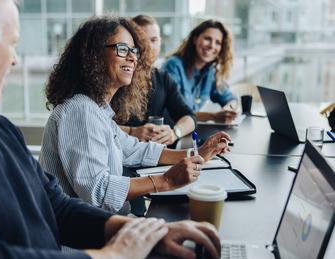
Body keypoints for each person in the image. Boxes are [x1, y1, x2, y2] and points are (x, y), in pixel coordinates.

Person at [0, 1, 223, 259]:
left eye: (134, 51)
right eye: (13, 43)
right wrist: (114, 256)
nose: (15, 59)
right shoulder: (79, 111)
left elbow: (56, 205)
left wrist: (148, 232)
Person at [39, 16, 231, 214]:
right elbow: (98, 191)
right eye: (122, 49)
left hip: (104, 227)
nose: (132, 57)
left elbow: (135, 150)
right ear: (93, 55)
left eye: (134, 51)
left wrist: (199, 153)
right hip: (83, 241)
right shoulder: (80, 111)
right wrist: (166, 180)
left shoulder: (97, 109)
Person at [118, 15, 196, 146]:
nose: (148, 46)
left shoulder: (163, 78)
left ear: (160, 42)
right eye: (141, 41)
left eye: (153, 40)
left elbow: (189, 117)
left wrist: (175, 132)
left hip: (155, 157)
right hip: (122, 156)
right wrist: (132, 132)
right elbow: (98, 123)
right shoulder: (118, 76)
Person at [162, 19, 238, 123]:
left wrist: (228, 110)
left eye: (218, 42)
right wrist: (213, 116)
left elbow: (230, 98)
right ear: (195, 39)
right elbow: (177, 112)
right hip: (170, 132)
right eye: (207, 39)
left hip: (190, 130)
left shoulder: (210, 71)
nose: (212, 46)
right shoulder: (173, 66)